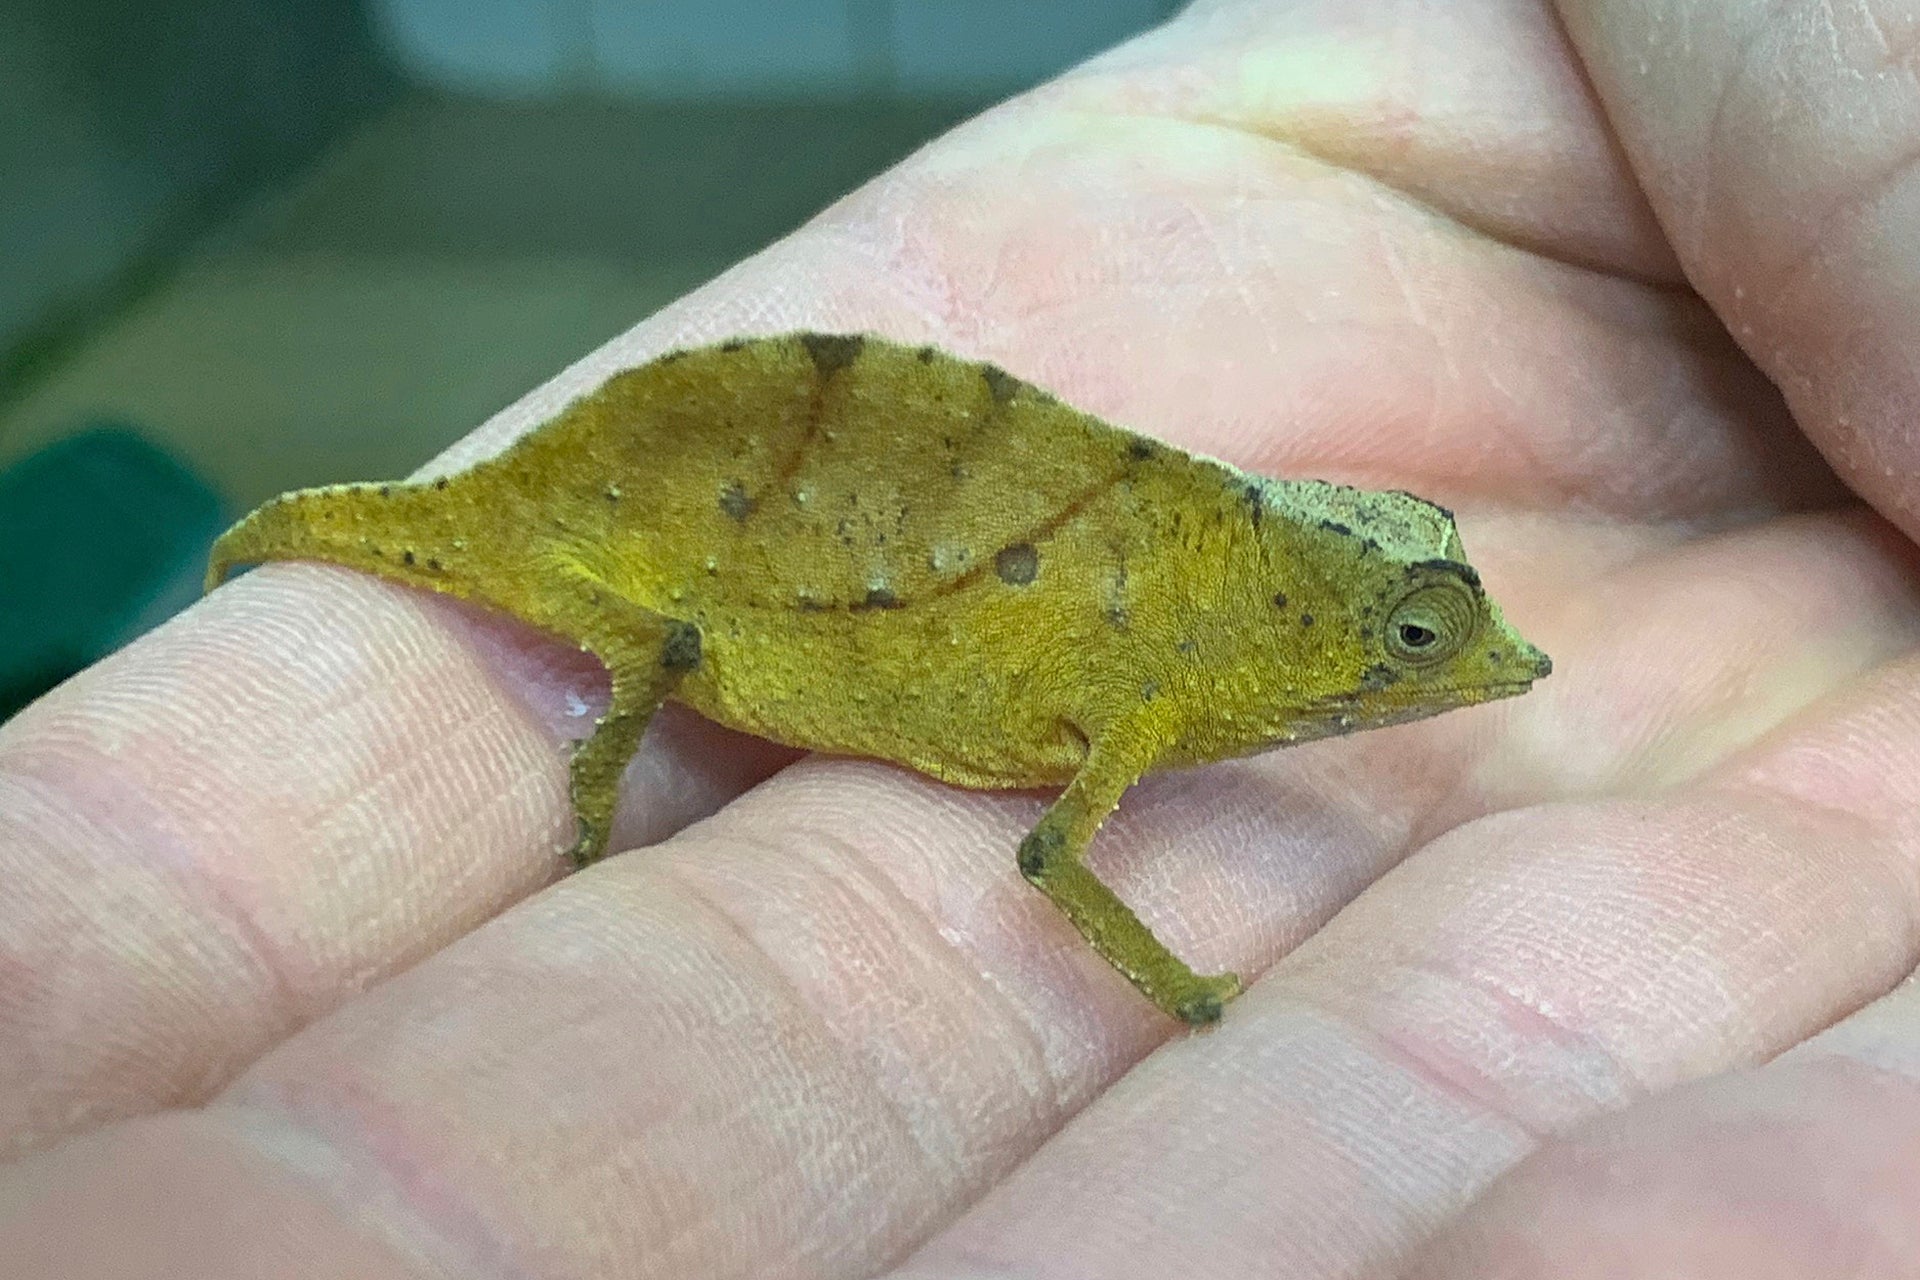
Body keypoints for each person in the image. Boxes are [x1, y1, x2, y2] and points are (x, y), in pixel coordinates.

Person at [5, 1, 1918, 1274]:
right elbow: (1046, 856)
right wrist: (1192, 1001)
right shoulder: (1171, 681)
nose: (1470, 669)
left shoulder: (1203, 645)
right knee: (611, 646)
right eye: (1415, 639)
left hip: (814, 565)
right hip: (681, 589)